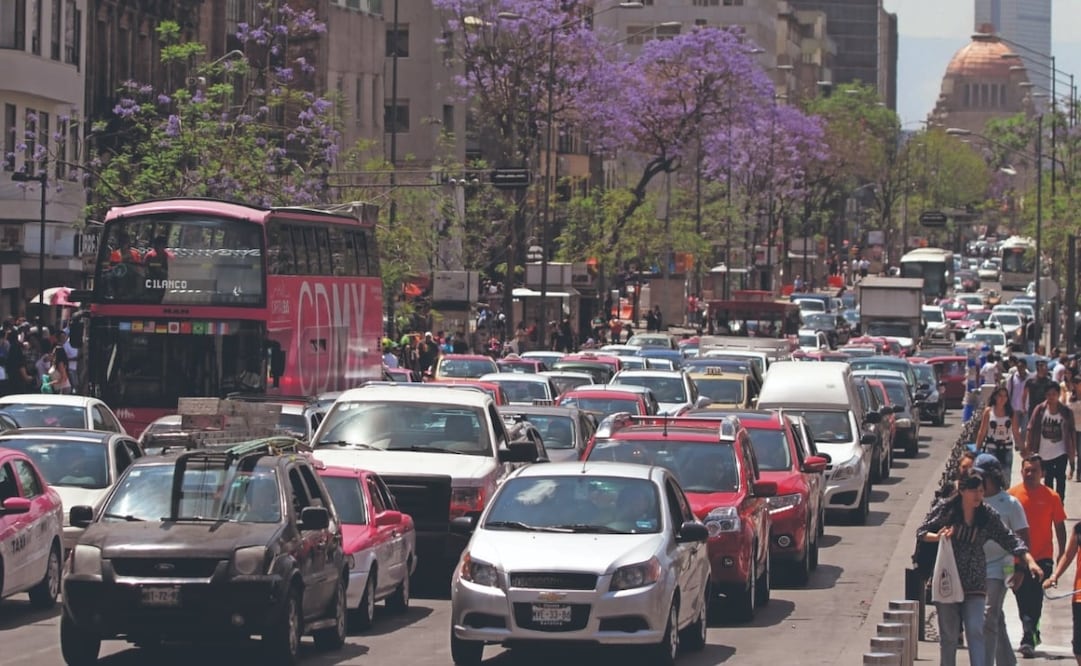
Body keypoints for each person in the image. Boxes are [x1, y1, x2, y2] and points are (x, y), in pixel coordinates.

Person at [918, 467, 1043, 666]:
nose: (979, 496)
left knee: (976, 629)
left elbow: (1010, 539)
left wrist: (1029, 561)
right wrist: (938, 537)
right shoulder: (946, 509)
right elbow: (922, 531)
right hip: (948, 579)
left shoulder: (987, 515)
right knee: (949, 637)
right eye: (974, 491)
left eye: (981, 491)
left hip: (975, 580)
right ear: (962, 491)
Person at [1010, 454, 1069, 657]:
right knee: (1019, 595)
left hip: (1042, 557)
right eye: (1026, 470)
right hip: (1014, 559)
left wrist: (1062, 553)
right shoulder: (1012, 495)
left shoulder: (1052, 497)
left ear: (1042, 473)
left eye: (1034, 470)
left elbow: (1060, 527)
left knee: (1035, 597)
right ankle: (1032, 630)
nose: (1030, 474)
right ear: (1021, 471)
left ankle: (1028, 638)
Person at [974, 454, 1029, 666]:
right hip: (977, 566)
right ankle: (1007, 661)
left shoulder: (1010, 504)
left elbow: (1023, 537)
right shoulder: (973, 500)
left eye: (981, 477)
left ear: (993, 477)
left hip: (1002, 565)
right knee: (995, 615)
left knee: (988, 616)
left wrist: (1020, 568)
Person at [1025, 383, 1076, 500]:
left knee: (1060, 479)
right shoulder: (1040, 410)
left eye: (1054, 394)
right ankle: (1049, 506)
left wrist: (1072, 455)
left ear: (1058, 395)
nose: (1051, 397)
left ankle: (1059, 505)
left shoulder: (1066, 412)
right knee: (1048, 480)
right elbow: (1030, 428)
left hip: (1061, 451)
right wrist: (1028, 448)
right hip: (1044, 453)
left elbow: (1071, 433)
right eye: (1049, 394)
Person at [1042, 519, 1081, 665]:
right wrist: (1054, 576)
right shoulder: (1079, 529)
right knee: (1078, 645)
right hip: (1079, 596)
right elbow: (1068, 555)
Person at [977, 387, 1022, 478]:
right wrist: (977, 449)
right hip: (992, 447)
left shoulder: (1010, 412)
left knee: (1006, 476)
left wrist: (1023, 448)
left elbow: (1016, 432)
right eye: (1000, 396)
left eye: (1005, 396)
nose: (1002, 399)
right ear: (995, 397)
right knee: (991, 477)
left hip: (1006, 448)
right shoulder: (989, 412)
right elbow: (982, 431)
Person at [1007, 359, 1030, 443]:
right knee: (1015, 428)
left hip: (1026, 408)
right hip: (1014, 407)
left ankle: (1021, 443)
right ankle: (1017, 443)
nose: (1020, 368)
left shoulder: (1030, 378)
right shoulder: (1012, 378)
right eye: (1019, 367)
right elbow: (1008, 392)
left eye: (1022, 367)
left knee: (1024, 428)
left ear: (1025, 367)